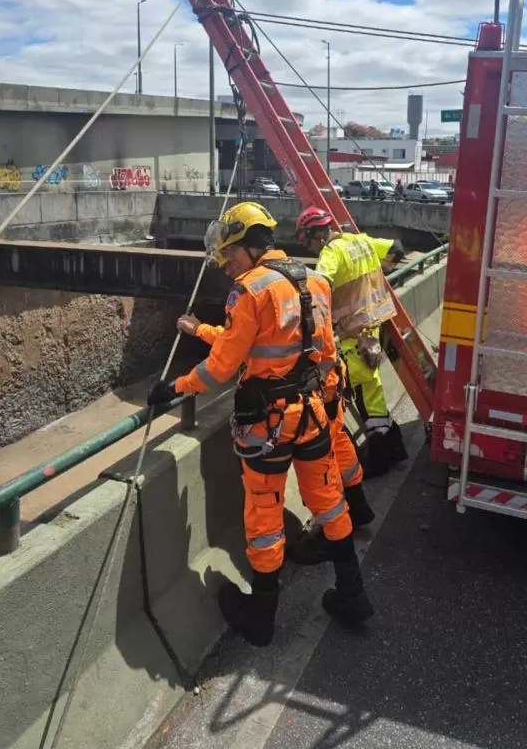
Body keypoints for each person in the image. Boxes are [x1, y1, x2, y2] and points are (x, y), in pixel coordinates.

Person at [147, 202, 374, 647]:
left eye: (230, 255)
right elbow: (318, 351)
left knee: (264, 514)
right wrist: (202, 330)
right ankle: (353, 592)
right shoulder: (314, 280)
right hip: (312, 413)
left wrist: (174, 388)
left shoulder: (249, 291)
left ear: (249, 246)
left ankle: (261, 616)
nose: (226, 265)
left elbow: (221, 366)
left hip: (268, 425)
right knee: (329, 502)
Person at [296, 207, 409, 477]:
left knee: (351, 398)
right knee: (372, 391)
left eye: (307, 241)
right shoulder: (361, 241)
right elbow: (397, 248)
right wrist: (381, 272)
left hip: (353, 337)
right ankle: (394, 448)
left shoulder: (331, 253)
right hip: (374, 329)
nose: (310, 248)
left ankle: (379, 459)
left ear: (316, 234)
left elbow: (319, 287)